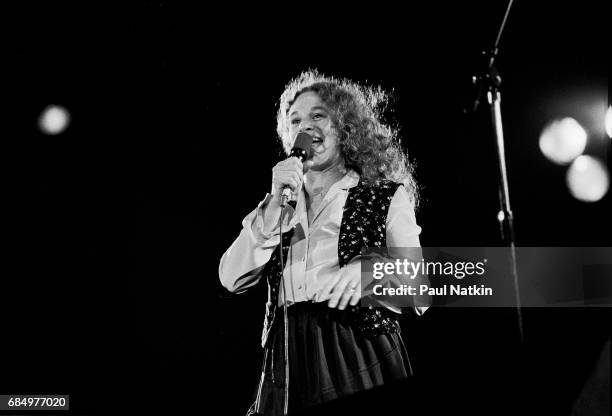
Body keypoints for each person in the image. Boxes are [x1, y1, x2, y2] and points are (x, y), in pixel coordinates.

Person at [219, 70, 429, 415]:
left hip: (354, 347)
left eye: (318, 115)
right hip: (285, 358)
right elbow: (230, 277)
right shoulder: (278, 203)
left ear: (345, 127)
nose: (306, 126)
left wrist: (374, 272)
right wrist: (273, 208)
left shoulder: (382, 195)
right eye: (295, 120)